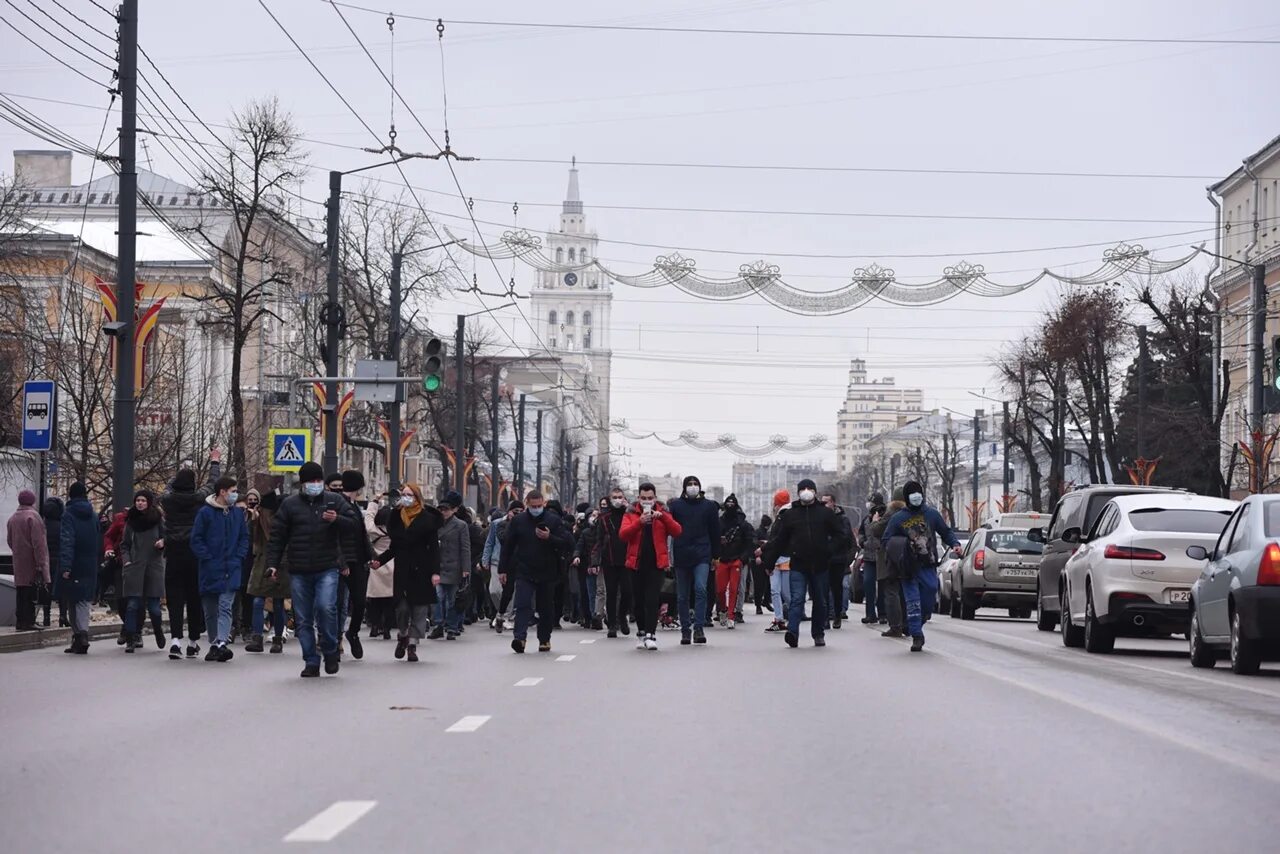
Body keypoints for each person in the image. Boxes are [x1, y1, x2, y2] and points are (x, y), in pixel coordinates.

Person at [266, 462, 356, 677]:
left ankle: (330, 649)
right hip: (299, 569)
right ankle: (311, 660)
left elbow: (353, 524)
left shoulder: (334, 501)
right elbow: (277, 537)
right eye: (311, 481)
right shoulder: (290, 505)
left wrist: (338, 519)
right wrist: (272, 564)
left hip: (327, 567)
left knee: (326, 608)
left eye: (318, 481)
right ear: (303, 483)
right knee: (303, 618)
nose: (315, 485)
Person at [760, 479, 847, 648]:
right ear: (798, 493)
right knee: (797, 599)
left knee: (820, 601)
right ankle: (792, 632)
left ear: (815, 492)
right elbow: (780, 541)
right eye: (803, 489)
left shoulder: (825, 514)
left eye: (809, 489)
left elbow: (841, 536)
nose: (806, 491)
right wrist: (769, 562)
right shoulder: (791, 515)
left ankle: (818, 633)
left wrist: (829, 550)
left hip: (820, 564)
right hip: (798, 564)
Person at [881, 479, 961, 652]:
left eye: (918, 492)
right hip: (908, 567)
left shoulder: (931, 514)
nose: (916, 496)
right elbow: (886, 539)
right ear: (907, 497)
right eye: (912, 493)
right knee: (912, 602)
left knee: (930, 594)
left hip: (928, 564)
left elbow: (945, 532)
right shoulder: (898, 518)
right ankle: (917, 635)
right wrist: (900, 549)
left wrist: (954, 543)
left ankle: (919, 620)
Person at [372, 483, 441, 663]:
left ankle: (412, 644)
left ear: (417, 498)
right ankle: (403, 634)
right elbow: (394, 547)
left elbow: (434, 549)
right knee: (402, 608)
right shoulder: (396, 518)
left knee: (419, 610)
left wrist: (435, 572)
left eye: (410, 494)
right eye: (404, 494)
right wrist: (380, 561)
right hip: (402, 570)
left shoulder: (427, 519)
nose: (406, 497)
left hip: (422, 570)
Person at [499, 490, 574, 653]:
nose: (536, 509)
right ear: (527, 504)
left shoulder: (553, 520)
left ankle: (544, 638)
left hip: (547, 571)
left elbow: (567, 543)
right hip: (524, 570)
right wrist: (502, 569)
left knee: (545, 607)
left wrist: (550, 538)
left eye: (539, 506)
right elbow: (508, 546)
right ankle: (519, 638)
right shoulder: (518, 521)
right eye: (533, 506)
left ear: (543, 504)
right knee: (523, 603)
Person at [159, 465, 218, 659]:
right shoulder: (198, 499)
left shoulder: (168, 500)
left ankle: (175, 641)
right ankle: (193, 643)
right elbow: (211, 484)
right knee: (194, 598)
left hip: (173, 552)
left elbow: (166, 489)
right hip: (194, 553)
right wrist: (215, 463)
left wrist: (174, 479)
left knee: (175, 598)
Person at [190, 477, 249, 662]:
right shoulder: (205, 513)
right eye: (232, 490)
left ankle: (222, 642)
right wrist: (207, 557)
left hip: (231, 568)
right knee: (210, 609)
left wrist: (238, 557)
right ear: (222, 492)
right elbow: (196, 539)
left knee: (225, 606)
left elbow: (244, 538)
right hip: (210, 568)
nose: (235, 494)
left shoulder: (237, 514)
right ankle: (214, 643)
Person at [620, 483, 683, 651]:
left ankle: (650, 634)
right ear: (638, 498)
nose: (646, 501)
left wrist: (661, 517)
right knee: (638, 601)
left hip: (656, 564)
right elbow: (623, 534)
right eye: (643, 498)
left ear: (655, 498)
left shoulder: (663, 512)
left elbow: (677, 531)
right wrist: (639, 523)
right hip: (636, 564)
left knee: (652, 599)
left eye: (650, 498)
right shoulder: (631, 512)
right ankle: (641, 632)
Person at [667, 475, 720, 646]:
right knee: (682, 595)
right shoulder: (675, 506)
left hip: (702, 554)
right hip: (681, 554)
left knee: (700, 589)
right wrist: (668, 556)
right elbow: (669, 529)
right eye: (689, 484)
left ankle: (699, 628)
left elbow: (715, 532)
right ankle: (685, 630)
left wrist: (716, 556)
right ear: (684, 487)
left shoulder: (709, 506)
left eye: (695, 484)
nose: (692, 487)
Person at [119, 490, 167, 652]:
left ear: (149, 502)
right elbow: (124, 545)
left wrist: (162, 542)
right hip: (135, 567)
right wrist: (127, 561)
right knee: (133, 605)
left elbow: (167, 536)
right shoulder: (130, 522)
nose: (139, 503)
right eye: (137, 500)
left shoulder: (157, 519)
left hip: (154, 566)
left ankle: (158, 630)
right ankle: (131, 638)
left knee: (154, 607)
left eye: (143, 500)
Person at [245, 489, 290, 654]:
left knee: (278, 603)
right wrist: (253, 519)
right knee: (258, 601)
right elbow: (251, 538)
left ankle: (277, 639)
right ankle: (257, 638)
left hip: (280, 563)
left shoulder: (282, 522)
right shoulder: (258, 519)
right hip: (262, 563)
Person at [335, 470, 373, 660]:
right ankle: (335, 639)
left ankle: (353, 632)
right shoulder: (339, 503)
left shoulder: (354, 506)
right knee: (337, 603)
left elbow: (362, 535)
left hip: (358, 560)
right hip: (343, 562)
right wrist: (341, 562)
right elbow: (334, 537)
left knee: (359, 601)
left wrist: (371, 556)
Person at [59, 482, 98, 654]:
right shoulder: (94, 515)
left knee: (73, 600)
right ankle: (81, 635)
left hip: (74, 563)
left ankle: (79, 635)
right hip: (90, 563)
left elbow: (67, 541)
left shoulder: (68, 515)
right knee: (83, 600)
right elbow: (99, 538)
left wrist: (66, 566)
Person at [9, 489, 50, 632]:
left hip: (19, 560)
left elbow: (10, 540)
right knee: (32, 591)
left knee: (21, 590)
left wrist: (18, 551)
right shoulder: (33, 517)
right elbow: (39, 543)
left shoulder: (13, 517)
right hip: (32, 561)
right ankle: (29, 620)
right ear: (32, 501)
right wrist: (41, 563)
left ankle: (20, 621)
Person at [433, 491, 472, 641]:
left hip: (455, 568)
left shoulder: (460, 525)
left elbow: (465, 548)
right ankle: (438, 624)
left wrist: (466, 569)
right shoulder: (435, 524)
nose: (443, 512)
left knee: (452, 600)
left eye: (446, 509)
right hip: (438, 567)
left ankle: (451, 627)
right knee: (438, 596)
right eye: (441, 509)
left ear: (453, 510)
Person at [595, 487, 632, 638]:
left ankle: (622, 616)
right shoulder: (604, 517)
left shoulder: (629, 515)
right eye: (614, 497)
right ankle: (612, 624)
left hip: (627, 560)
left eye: (619, 497)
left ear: (624, 498)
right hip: (609, 559)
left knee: (627, 592)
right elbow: (598, 539)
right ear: (610, 499)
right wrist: (595, 561)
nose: (617, 499)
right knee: (611, 592)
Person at [714, 493, 754, 629]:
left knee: (733, 589)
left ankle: (731, 615)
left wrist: (743, 558)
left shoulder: (743, 524)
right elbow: (713, 539)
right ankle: (723, 610)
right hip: (722, 559)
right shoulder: (719, 522)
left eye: (732, 504)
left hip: (736, 560)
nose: (730, 506)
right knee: (719, 590)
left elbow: (749, 541)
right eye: (728, 504)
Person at [482, 500, 522, 633]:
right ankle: (501, 612)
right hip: (496, 560)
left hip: (515, 562)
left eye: (521, 512)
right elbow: (490, 542)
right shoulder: (497, 524)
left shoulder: (524, 524)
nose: (517, 514)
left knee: (511, 590)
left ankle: (506, 617)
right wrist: (485, 559)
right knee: (494, 590)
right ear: (509, 511)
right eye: (515, 511)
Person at [871, 491, 905, 637]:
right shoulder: (914, 512)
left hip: (889, 556)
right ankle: (907, 623)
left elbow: (877, 530)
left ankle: (896, 626)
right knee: (905, 591)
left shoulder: (891, 513)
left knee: (891, 592)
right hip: (908, 557)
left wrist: (874, 521)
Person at [821, 491, 855, 630]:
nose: (825, 505)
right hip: (823, 558)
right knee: (823, 588)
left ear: (833, 503)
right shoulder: (820, 517)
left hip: (838, 558)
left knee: (837, 588)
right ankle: (825, 617)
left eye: (827, 502)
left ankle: (837, 615)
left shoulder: (842, 518)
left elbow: (845, 536)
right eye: (822, 502)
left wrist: (831, 540)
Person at [364, 502, 395, 640]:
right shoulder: (395, 530)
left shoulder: (373, 530)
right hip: (391, 564)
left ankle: (375, 626)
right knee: (389, 600)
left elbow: (368, 518)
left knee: (374, 599)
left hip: (376, 564)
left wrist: (373, 504)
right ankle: (387, 628)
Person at [764, 490, 792, 633]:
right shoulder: (781, 517)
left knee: (784, 592)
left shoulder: (784, 517)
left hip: (784, 558)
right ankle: (779, 618)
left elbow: (777, 541)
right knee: (776, 591)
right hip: (777, 559)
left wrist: (765, 547)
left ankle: (792, 618)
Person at [856, 493, 886, 625]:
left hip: (882, 557)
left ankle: (883, 614)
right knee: (868, 584)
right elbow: (861, 533)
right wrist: (863, 542)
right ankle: (870, 614)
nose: (869, 505)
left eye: (871, 503)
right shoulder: (866, 518)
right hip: (868, 557)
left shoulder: (885, 517)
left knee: (883, 587)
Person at [43, 497, 65, 627]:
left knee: (47, 589)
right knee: (62, 590)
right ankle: (63, 616)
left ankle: (46, 617)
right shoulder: (62, 525)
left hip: (46, 560)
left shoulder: (42, 525)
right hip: (60, 561)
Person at [750, 514, 772, 616]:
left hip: (765, 560)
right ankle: (759, 604)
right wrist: (756, 556)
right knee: (759, 584)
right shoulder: (759, 533)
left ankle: (764, 601)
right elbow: (754, 544)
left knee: (767, 583)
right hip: (759, 560)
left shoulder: (764, 533)